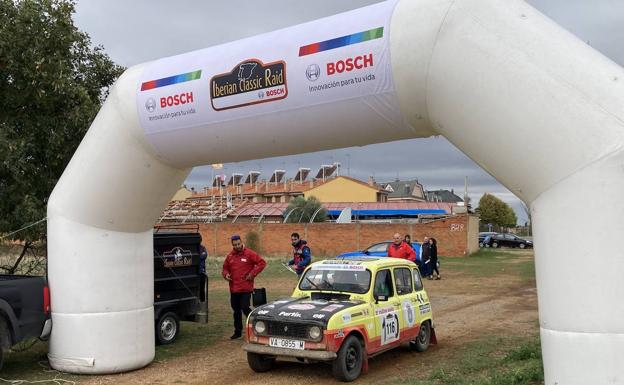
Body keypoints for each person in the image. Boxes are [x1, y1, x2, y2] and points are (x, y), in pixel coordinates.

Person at [222, 234, 266, 339]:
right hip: (234, 288)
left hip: (246, 287)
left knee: (245, 307)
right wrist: (226, 274)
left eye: (238, 244)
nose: (237, 246)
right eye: (235, 245)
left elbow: (262, 263)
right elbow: (224, 268)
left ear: (241, 242)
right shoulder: (230, 256)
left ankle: (257, 324)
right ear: (232, 245)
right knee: (236, 310)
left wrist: (252, 274)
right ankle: (238, 332)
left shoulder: (249, 253)